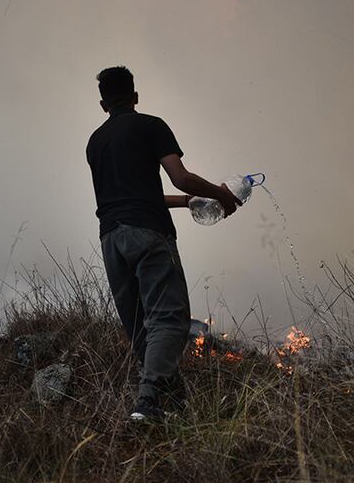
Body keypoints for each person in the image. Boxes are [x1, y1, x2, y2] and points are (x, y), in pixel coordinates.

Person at [86, 66, 242, 421]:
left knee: (139, 325)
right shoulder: (151, 125)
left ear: (102, 104)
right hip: (148, 233)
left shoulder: (95, 142)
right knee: (169, 321)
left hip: (112, 239)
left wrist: (186, 203)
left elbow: (134, 195)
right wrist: (222, 195)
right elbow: (181, 177)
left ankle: (171, 405)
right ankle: (147, 403)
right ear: (135, 97)